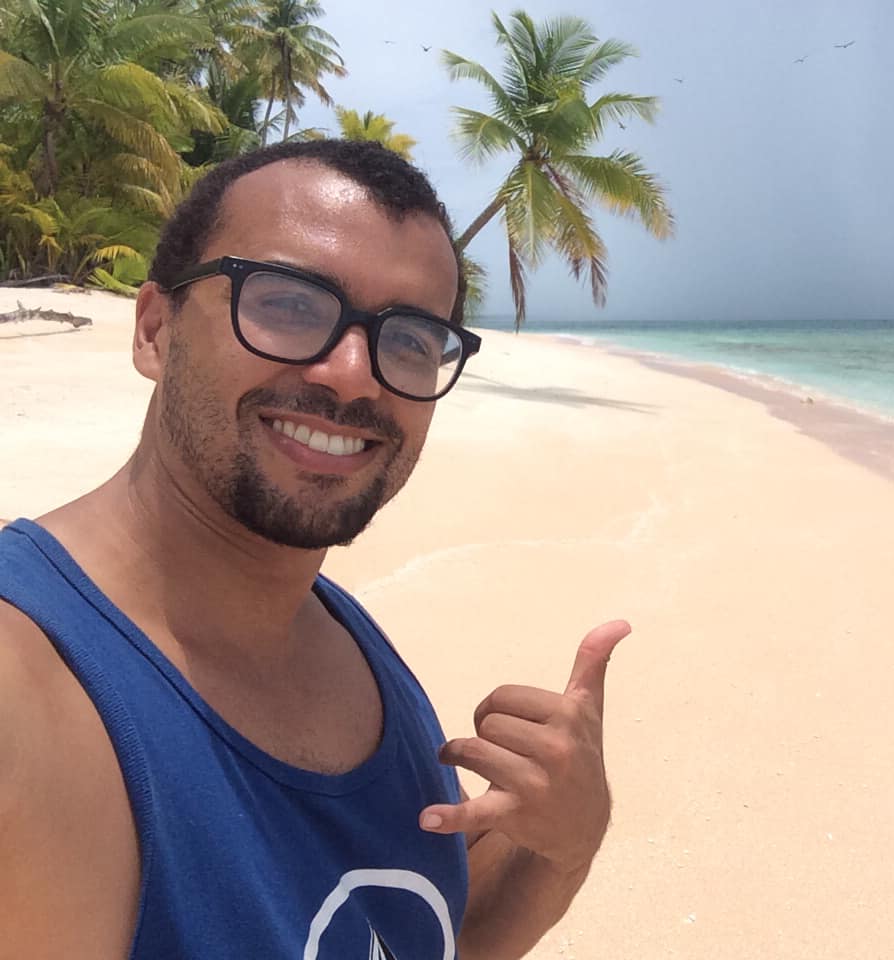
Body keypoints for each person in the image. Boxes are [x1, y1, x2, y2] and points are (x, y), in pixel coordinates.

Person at [0, 139, 629, 959]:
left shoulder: (348, 646)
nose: (353, 374)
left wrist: (561, 842)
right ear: (155, 328)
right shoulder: (27, 690)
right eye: (291, 303)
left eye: (408, 338)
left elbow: (434, 939)